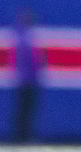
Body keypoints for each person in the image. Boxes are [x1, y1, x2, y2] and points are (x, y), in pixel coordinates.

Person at [11, 9, 44, 143]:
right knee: (25, 110)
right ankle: (22, 137)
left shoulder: (23, 38)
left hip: (26, 80)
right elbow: (32, 62)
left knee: (24, 110)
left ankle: (22, 136)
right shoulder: (25, 40)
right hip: (27, 81)